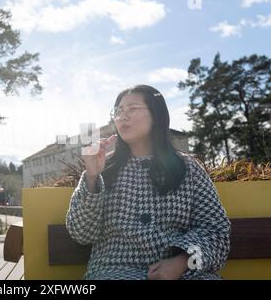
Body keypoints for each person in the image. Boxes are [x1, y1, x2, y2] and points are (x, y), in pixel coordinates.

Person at [65, 85, 231, 280]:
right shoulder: (105, 167)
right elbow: (81, 234)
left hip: (184, 274)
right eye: (118, 111)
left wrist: (181, 262)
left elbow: (215, 230)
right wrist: (92, 177)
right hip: (111, 271)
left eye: (132, 109)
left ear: (156, 116)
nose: (122, 116)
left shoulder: (188, 168)